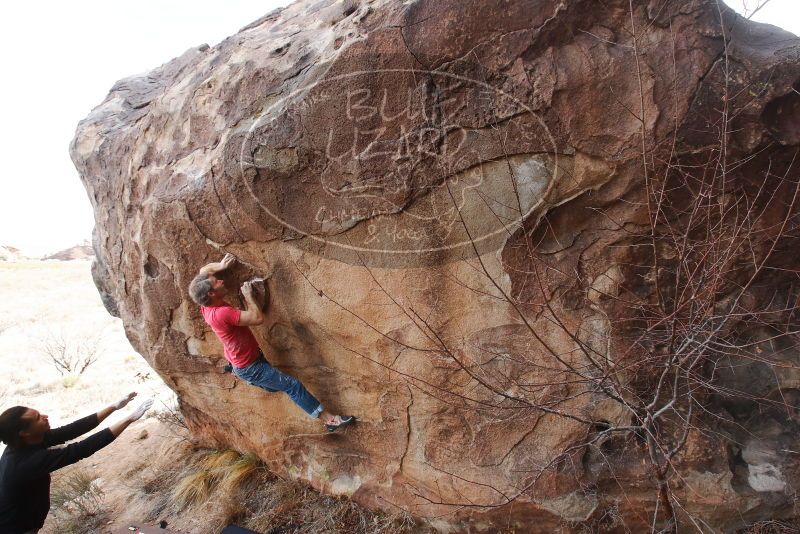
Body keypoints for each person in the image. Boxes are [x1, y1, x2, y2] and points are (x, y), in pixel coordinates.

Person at [188, 253, 354, 432]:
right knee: (292, 386)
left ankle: (244, 375)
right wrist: (249, 296)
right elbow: (256, 318)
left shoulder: (204, 301)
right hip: (250, 366)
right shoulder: (221, 314)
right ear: (211, 293)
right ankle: (330, 421)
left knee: (274, 387)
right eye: (216, 282)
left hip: (244, 360)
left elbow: (203, 271)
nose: (220, 280)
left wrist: (221, 266)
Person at [0, 393, 153, 534]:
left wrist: (113, 406)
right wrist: (129, 419)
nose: (45, 416)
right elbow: (80, 450)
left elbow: (70, 430)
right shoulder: (25, 463)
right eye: (38, 417)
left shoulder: (27, 441)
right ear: (24, 432)